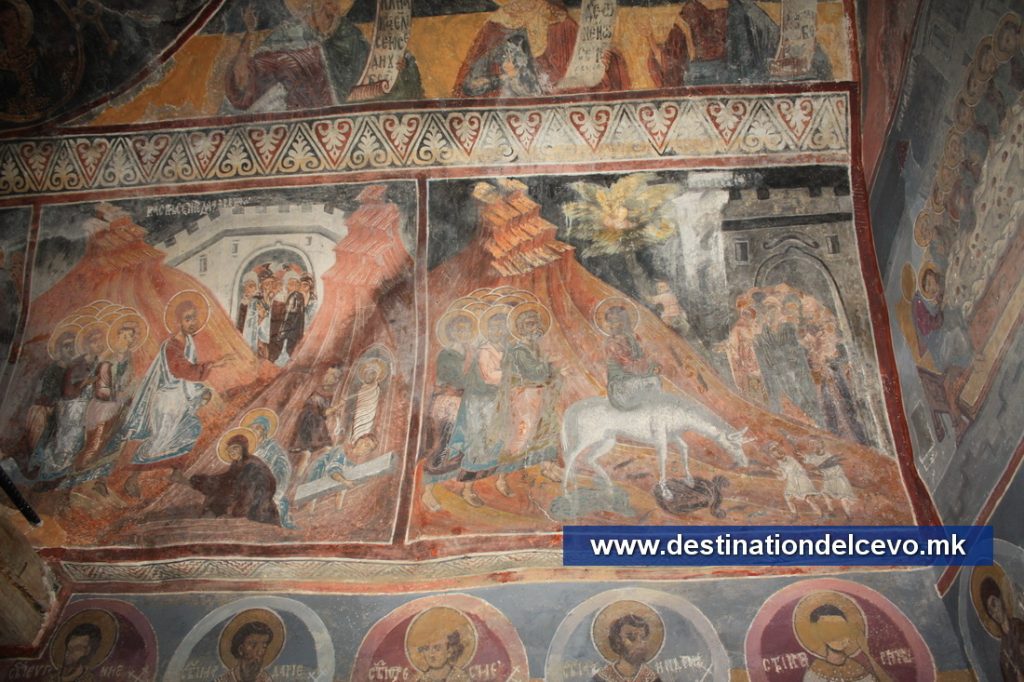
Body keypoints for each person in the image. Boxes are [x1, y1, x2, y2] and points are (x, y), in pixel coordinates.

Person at [108, 291, 226, 498]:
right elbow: (181, 370)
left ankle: (176, 472)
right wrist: (212, 365)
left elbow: (187, 374)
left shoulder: (188, 343)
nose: (192, 322)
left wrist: (200, 391)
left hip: (179, 398)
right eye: (187, 318)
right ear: (178, 322)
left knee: (190, 428)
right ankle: (132, 479)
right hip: (166, 400)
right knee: (160, 438)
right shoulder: (172, 345)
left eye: (194, 317)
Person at [453, 0, 628, 97]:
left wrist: (605, 62)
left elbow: (587, 73)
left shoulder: (562, 22)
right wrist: (504, 78)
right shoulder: (496, 25)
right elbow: (467, 86)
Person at [29, 323, 106, 483]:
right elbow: (68, 393)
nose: (99, 345)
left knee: (77, 442)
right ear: (86, 344)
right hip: (71, 409)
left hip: (82, 409)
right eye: (94, 341)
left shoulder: (97, 363)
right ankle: (50, 474)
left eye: (101, 341)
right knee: (66, 442)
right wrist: (86, 382)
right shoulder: (77, 364)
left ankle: (60, 475)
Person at [495, 303, 561, 481]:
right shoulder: (519, 350)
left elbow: (544, 374)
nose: (535, 328)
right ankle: (502, 477)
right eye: (530, 324)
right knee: (522, 435)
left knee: (547, 430)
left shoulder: (534, 348)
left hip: (538, 395)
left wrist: (555, 371)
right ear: (520, 328)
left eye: (536, 323)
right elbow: (534, 373)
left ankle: (547, 466)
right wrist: (550, 364)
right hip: (523, 397)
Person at [421, 308, 477, 512]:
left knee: (464, 447)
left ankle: (463, 488)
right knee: (442, 446)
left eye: (467, 329)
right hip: (448, 404)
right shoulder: (447, 354)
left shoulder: (470, 353)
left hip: (466, 403)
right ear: (452, 332)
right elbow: (453, 379)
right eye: (459, 329)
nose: (463, 333)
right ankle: (427, 492)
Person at [77, 313, 142, 467]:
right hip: (102, 408)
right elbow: (102, 391)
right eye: (125, 336)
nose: (129, 340)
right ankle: (81, 468)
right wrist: (120, 395)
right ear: (118, 336)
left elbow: (128, 382)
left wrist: (132, 390)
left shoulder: (128, 359)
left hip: (118, 406)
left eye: (131, 337)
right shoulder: (107, 360)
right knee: (95, 445)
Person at [186, 429, 279, 526]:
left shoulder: (252, 465)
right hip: (244, 502)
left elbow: (250, 491)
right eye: (229, 450)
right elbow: (225, 480)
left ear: (243, 448)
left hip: (258, 507)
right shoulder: (237, 464)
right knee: (217, 498)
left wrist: (238, 510)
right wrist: (203, 481)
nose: (232, 452)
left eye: (235, 448)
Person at [799, 602, 893, 682]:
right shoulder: (815, 672)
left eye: (843, 628)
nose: (838, 635)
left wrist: (867, 653)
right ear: (819, 635)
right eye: (829, 630)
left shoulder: (859, 669)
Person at [596, 298, 660, 411]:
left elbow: (644, 357)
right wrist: (650, 368)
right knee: (640, 384)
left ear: (624, 322)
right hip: (621, 386)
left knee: (655, 382)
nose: (611, 325)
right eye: (609, 322)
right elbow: (628, 366)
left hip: (636, 378)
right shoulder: (612, 343)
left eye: (615, 321)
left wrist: (653, 366)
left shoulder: (634, 338)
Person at [26, 327, 77, 452]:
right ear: (59, 348)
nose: (70, 350)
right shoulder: (53, 369)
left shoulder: (72, 370)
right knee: (40, 446)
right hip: (44, 412)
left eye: (73, 346)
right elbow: (47, 392)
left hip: (58, 412)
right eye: (66, 346)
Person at [242, 410, 295, 529]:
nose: (254, 431)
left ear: (264, 431)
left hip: (267, 489)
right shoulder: (246, 447)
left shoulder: (272, 448)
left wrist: (275, 492)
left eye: (258, 428)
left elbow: (283, 468)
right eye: (252, 428)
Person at [404, 607, 475, 682]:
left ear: (449, 651)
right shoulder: (422, 680)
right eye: (426, 649)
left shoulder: (461, 679)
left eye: (437, 648)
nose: (431, 654)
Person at [592, 613, 664, 682]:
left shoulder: (652, 678)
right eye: (632, 637)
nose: (639, 643)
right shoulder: (602, 678)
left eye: (643, 637)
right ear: (617, 641)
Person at [979, 577, 1024, 682]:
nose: (994, 613)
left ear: (1001, 599)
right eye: (990, 611)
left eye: (994, 604)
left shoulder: (1019, 627)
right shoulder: (1003, 655)